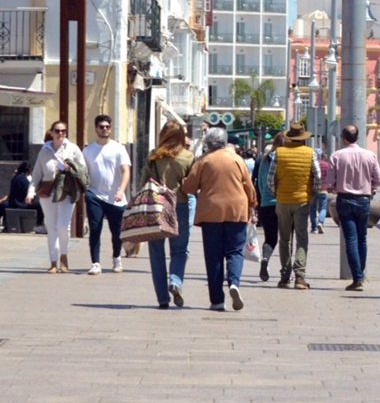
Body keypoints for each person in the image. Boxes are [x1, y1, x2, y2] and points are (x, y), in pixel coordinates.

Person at [181, 128, 257, 311]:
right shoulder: (237, 159)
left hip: (211, 212)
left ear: (208, 143)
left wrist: (182, 181)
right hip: (236, 210)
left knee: (213, 256)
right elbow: (249, 187)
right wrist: (252, 205)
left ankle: (217, 300)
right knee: (235, 251)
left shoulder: (204, 161)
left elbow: (190, 187)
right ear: (224, 142)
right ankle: (234, 283)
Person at [324, 125, 380, 292]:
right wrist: (368, 185)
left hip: (345, 200)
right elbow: (379, 181)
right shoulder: (369, 155)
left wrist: (335, 186)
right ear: (357, 137)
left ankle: (357, 277)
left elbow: (329, 183)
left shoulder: (337, 156)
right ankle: (360, 273)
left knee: (351, 239)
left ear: (343, 138)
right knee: (362, 239)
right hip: (364, 201)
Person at [142, 120, 195, 309]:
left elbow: (143, 183)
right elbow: (192, 187)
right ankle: (175, 281)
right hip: (179, 205)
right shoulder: (188, 157)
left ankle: (162, 299)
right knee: (179, 250)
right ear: (181, 137)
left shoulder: (153, 157)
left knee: (156, 252)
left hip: (156, 206)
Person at [266, 122, 321, 290]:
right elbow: (318, 177)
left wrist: (276, 193)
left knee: (284, 239)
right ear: (303, 138)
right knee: (301, 238)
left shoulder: (278, 153)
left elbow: (270, 178)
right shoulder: (310, 153)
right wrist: (312, 194)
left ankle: (284, 276)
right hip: (302, 201)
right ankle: (300, 276)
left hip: (282, 201)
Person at [31, 120, 87, 273]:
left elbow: (83, 169)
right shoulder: (44, 150)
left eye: (63, 131)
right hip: (47, 192)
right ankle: (53, 262)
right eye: (57, 131)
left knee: (63, 226)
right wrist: (31, 192)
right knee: (51, 226)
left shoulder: (72, 148)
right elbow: (37, 173)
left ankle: (64, 256)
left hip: (67, 191)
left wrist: (71, 168)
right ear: (52, 132)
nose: (60, 134)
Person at [82, 114, 132, 275]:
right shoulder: (88, 151)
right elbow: (83, 173)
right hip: (94, 195)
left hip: (116, 198)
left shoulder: (119, 148)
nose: (105, 129)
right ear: (96, 129)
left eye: (107, 127)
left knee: (116, 232)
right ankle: (95, 263)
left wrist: (121, 190)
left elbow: (126, 171)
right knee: (95, 228)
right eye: (101, 127)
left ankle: (117, 258)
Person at [253, 134, 284, 282]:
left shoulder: (262, 160)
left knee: (270, 238)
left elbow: (258, 183)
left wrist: (261, 201)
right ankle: (286, 271)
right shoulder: (286, 158)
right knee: (286, 238)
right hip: (283, 202)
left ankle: (265, 258)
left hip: (266, 203)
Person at [0, 161, 33, 230]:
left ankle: (6, 223)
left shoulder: (16, 178)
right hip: (21, 205)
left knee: (4, 204)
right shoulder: (24, 179)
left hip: (13, 204)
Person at [310, 148, 330, 234]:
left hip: (313, 189)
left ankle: (314, 228)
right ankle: (320, 222)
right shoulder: (326, 165)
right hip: (324, 189)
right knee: (323, 208)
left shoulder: (310, 164)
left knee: (312, 209)